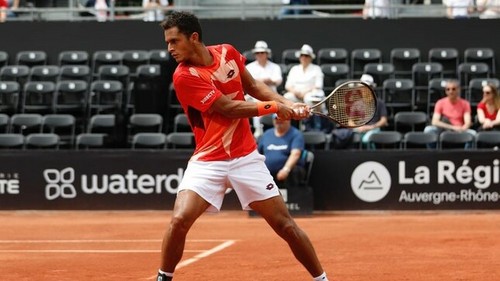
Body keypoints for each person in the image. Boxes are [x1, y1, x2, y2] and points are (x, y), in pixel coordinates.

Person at [157, 11, 330, 281]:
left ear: (194, 38)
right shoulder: (183, 76)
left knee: (285, 225)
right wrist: (276, 107)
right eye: (167, 42)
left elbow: (253, 86)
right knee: (179, 220)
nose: (170, 49)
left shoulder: (228, 52)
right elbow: (228, 108)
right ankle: (163, 277)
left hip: (245, 158)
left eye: (174, 41)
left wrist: (285, 103)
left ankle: (322, 279)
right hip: (208, 161)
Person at [283, 44, 325, 131]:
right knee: (287, 98)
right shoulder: (294, 69)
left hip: (310, 93)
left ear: (310, 57)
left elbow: (318, 85)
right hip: (296, 94)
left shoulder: (316, 69)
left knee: (309, 99)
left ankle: (308, 124)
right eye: (302, 55)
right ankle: (289, 125)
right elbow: (287, 85)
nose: (304, 57)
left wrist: (305, 92)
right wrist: (295, 92)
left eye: (306, 56)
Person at [246, 40, 283, 138]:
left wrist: (268, 81)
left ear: (267, 54)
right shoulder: (249, 67)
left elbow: (278, 81)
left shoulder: (274, 67)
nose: (260, 55)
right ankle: (257, 130)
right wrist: (261, 81)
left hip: (271, 94)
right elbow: (247, 83)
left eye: (262, 52)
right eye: (257, 53)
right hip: (253, 96)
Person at [258, 114, 305, 189]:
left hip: (288, 173)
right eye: (276, 119)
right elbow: (258, 154)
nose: (279, 121)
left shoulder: (296, 134)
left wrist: (286, 170)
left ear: (288, 120)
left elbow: (295, 154)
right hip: (267, 173)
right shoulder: (266, 134)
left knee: (295, 171)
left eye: (282, 119)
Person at [424, 79, 476, 147]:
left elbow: (467, 122)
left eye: (453, 89)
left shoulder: (465, 103)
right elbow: (435, 121)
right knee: (428, 130)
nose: (450, 91)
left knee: (473, 134)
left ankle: (466, 155)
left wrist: (462, 129)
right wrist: (453, 127)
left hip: (460, 130)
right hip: (444, 129)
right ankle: (434, 155)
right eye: (448, 89)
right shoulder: (440, 103)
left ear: (458, 90)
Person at [353, 74, 388, 148]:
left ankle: (372, 157)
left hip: (375, 129)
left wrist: (371, 127)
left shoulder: (380, 102)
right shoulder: (356, 104)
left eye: (367, 87)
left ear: (372, 88)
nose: (364, 89)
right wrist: (358, 127)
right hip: (359, 130)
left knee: (366, 139)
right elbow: (351, 120)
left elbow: (384, 121)